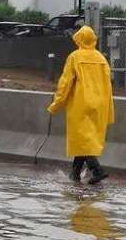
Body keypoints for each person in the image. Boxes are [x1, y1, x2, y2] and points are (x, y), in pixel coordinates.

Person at [47, 25, 115, 184]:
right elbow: (108, 85)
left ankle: (97, 170)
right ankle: (75, 174)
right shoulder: (101, 58)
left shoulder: (75, 57)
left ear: (79, 39)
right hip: (100, 103)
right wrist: (109, 109)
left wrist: (56, 104)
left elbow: (65, 84)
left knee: (82, 139)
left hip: (81, 103)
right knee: (85, 139)